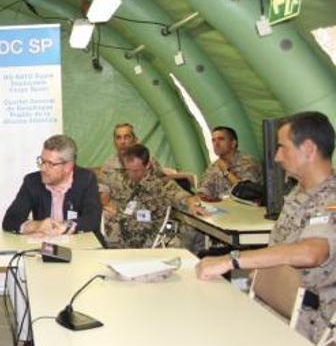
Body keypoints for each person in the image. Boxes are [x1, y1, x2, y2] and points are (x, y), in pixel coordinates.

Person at [197, 111, 336, 342]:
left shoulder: (331, 198)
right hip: (270, 306)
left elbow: (312, 252)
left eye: (283, 147)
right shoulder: (300, 191)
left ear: (309, 149)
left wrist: (231, 259)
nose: (277, 157)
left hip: (307, 322)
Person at [104, 144, 207, 248]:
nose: (131, 175)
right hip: (128, 233)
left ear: (147, 165)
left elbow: (145, 217)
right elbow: (128, 206)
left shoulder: (157, 186)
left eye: (135, 170)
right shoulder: (128, 182)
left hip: (146, 238)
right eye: (127, 169)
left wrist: (190, 201)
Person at [2, 135, 102, 236]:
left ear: (68, 166)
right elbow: (10, 220)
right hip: (45, 247)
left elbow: (92, 219)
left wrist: (65, 227)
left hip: (81, 247)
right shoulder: (32, 181)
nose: (43, 168)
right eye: (42, 161)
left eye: (50, 164)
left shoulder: (86, 179)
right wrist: (38, 225)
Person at [98, 123, 167, 201]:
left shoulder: (148, 161)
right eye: (118, 138)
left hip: (149, 208)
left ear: (135, 140)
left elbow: (163, 183)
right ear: (114, 142)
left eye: (127, 137)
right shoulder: (108, 167)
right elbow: (104, 197)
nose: (122, 142)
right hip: (121, 211)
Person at [198, 126, 263, 199]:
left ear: (233, 143)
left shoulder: (248, 164)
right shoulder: (214, 166)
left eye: (221, 139)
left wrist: (226, 172)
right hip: (221, 207)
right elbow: (204, 188)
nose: (216, 144)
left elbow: (247, 192)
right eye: (213, 140)